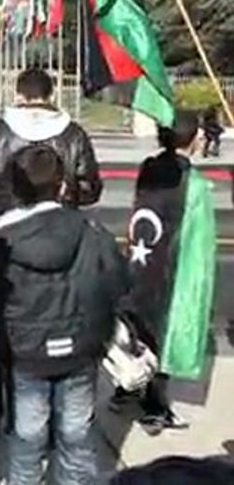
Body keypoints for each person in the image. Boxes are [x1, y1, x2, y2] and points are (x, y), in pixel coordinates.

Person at [0, 66, 102, 443]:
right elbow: (91, 188)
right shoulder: (72, 133)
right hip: (59, 240)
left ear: (21, 93)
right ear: (51, 92)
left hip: (5, 243)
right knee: (53, 328)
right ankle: (52, 423)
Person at [0, 145, 127, 484]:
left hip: (27, 352)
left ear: (16, 190)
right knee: (77, 434)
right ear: (63, 185)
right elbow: (118, 281)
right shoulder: (91, 229)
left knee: (27, 437)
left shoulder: (0, 237)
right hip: (80, 348)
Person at [113, 111, 206, 434]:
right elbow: (196, 240)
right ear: (194, 140)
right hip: (167, 267)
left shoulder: (149, 168)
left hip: (139, 259)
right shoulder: (190, 181)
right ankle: (155, 408)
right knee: (160, 335)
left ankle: (124, 390)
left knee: (135, 330)